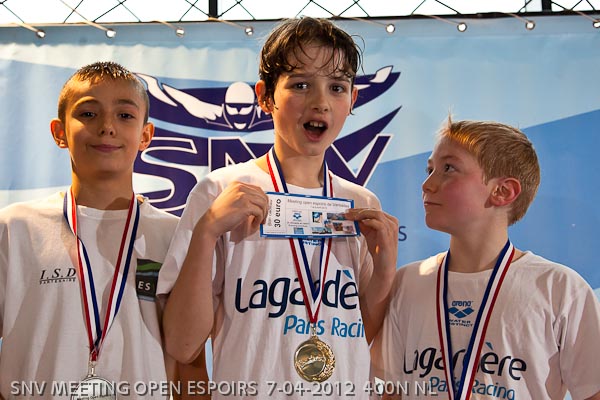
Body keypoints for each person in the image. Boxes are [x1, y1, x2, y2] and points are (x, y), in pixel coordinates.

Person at [158, 16, 399, 399]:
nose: (321, 102)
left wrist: (384, 270)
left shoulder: (360, 204)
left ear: (352, 100)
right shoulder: (220, 191)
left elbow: (359, 333)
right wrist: (206, 233)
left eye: (337, 87)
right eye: (301, 85)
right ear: (265, 96)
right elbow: (182, 345)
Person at [0, 61, 205, 399]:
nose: (107, 127)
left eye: (124, 115)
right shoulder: (14, 228)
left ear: (145, 135)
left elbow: (191, 365)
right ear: (59, 132)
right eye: (88, 114)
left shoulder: (175, 236)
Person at [370, 118, 600, 399]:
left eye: (448, 169)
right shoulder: (408, 282)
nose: (427, 184)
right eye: (430, 170)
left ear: (503, 191)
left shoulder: (559, 288)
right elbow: (391, 392)